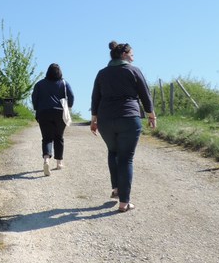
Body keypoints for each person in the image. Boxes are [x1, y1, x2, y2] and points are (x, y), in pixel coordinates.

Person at [90, 41, 156, 212]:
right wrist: (151, 115)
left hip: (106, 119)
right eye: (132, 53)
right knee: (126, 158)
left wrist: (94, 119)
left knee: (113, 152)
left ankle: (117, 189)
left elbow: (95, 97)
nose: (133, 56)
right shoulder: (134, 71)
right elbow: (145, 94)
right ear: (124, 54)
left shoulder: (102, 73)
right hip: (129, 118)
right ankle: (124, 202)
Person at [31, 63, 74, 176]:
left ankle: (46, 160)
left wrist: (37, 109)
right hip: (60, 113)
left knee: (46, 138)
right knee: (59, 137)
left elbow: (34, 98)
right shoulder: (64, 83)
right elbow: (71, 96)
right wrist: (68, 107)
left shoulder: (39, 84)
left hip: (44, 112)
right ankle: (59, 163)